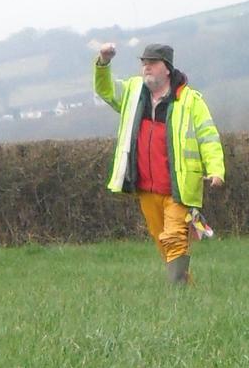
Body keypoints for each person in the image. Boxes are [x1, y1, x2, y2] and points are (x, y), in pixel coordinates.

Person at [91, 43, 225, 286]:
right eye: (144, 63)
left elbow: (208, 137)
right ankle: (186, 286)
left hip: (179, 187)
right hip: (145, 188)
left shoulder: (190, 100)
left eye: (152, 63)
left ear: (167, 69)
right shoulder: (133, 92)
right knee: (161, 238)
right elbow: (106, 90)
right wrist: (103, 62)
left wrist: (216, 169)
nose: (146, 68)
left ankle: (178, 292)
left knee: (174, 237)